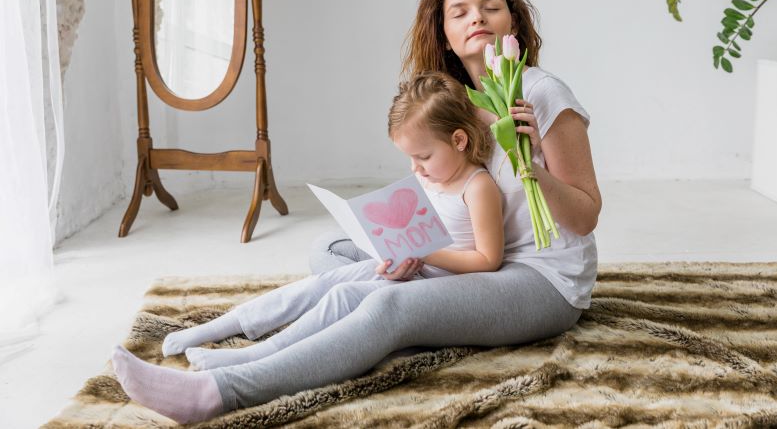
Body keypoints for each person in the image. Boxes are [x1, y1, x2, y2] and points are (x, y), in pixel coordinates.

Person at [111, 0, 601, 424]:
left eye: (492, 6)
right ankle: (398, 326)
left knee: (384, 300)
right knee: (332, 253)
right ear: (446, 36)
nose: (478, 17)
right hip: (470, 265)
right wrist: (408, 241)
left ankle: (218, 392)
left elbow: (584, 215)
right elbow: (445, 196)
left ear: (512, 22)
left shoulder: (541, 94)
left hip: (541, 282)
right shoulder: (453, 104)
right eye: (461, 11)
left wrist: (526, 162)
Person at [111, 72, 505, 423]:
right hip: (410, 268)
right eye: (410, 159)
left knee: (346, 295)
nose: (416, 168)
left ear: (459, 140)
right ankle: (216, 328)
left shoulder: (477, 186)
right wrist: (391, 243)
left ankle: (253, 359)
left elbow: (488, 260)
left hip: (438, 283)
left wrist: (425, 253)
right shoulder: (434, 176)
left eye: (423, 157)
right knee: (323, 285)